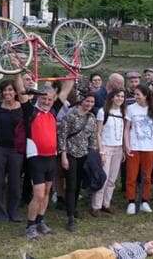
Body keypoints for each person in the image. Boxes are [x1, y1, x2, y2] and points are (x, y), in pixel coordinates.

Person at [0, 76, 32, 223]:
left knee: (14, 183)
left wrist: (17, 74)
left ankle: (13, 212)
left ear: (15, 92)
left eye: (10, 90)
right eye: (5, 90)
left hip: (16, 150)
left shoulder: (23, 107)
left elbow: (22, 91)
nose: (7, 93)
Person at [58, 93, 98, 231]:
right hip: (69, 153)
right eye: (87, 101)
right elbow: (62, 136)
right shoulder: (70, 115)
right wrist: (63, 155)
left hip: (84, 155)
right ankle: (70, 217)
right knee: (71, 184)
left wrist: (93, 155)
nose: (89, 104)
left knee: (78, 184)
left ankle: (73, 208)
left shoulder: (92, 118)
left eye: (92, 102)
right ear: (82, 101)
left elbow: (92, 138)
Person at [25, 85, 60, 240]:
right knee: (38, 194)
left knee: (46, 192)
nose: (46, 101)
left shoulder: (53, 111)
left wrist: (73, 71)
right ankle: (30, 226)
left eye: (49, 99)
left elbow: (66, 88)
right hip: (36, 157)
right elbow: (22, 94)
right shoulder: (31, 111)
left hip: (51, 157)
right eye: (43, 98)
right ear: (38, 97)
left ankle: (40, 220)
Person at [124, 84, 153, 214]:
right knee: (131, 176)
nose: (135, 97)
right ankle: (131, 201)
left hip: (149, 147)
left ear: (145, 96)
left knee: (147, 176)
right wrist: (127, 145)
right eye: (134, 94)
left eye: (138, 95)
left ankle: (144, 201)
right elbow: (127, 128)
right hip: (134, 147)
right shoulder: (130, 108)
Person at [92, 90, 126, 215]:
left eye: (122, 96)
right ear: (112, 97)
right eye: (118, 96)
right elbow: (98, 133)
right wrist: (101, 151)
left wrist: (122, 149)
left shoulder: (122, 112)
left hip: (118, 148)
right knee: (103, 178)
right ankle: (96, 206)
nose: (120, 98)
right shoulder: (103, 112)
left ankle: (106, 204)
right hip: (106, 148)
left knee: (112, 179)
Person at [51, 240, 153, 259]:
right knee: (77, 255)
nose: (151, 247)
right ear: (149, 241)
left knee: (78, 255)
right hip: (106, 251)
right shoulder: (136, 244)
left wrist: (119, 248)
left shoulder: (142, 253)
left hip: (111, 255)